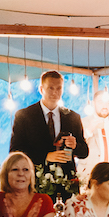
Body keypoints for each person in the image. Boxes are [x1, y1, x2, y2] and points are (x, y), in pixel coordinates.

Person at [9, 70, 88, 201]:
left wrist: (75, 146)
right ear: (41, 89)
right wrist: (46, 157)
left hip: (67, 185)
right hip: (36, 183)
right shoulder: (24, 116)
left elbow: (84, 151)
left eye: (59, 88)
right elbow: (15, 151)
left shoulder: (73, 117)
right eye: (50, 88)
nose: (55, 92)